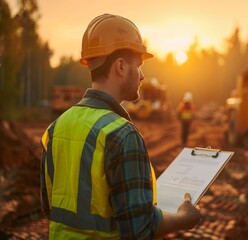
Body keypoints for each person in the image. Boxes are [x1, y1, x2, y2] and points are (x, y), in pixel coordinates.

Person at [40, 13, 200, 239]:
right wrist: (184, 219)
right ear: (121, 66)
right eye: (139, 65)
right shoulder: (122, 135)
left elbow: (49, 207)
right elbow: (140, 229)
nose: (143, 76)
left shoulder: (56, 128)